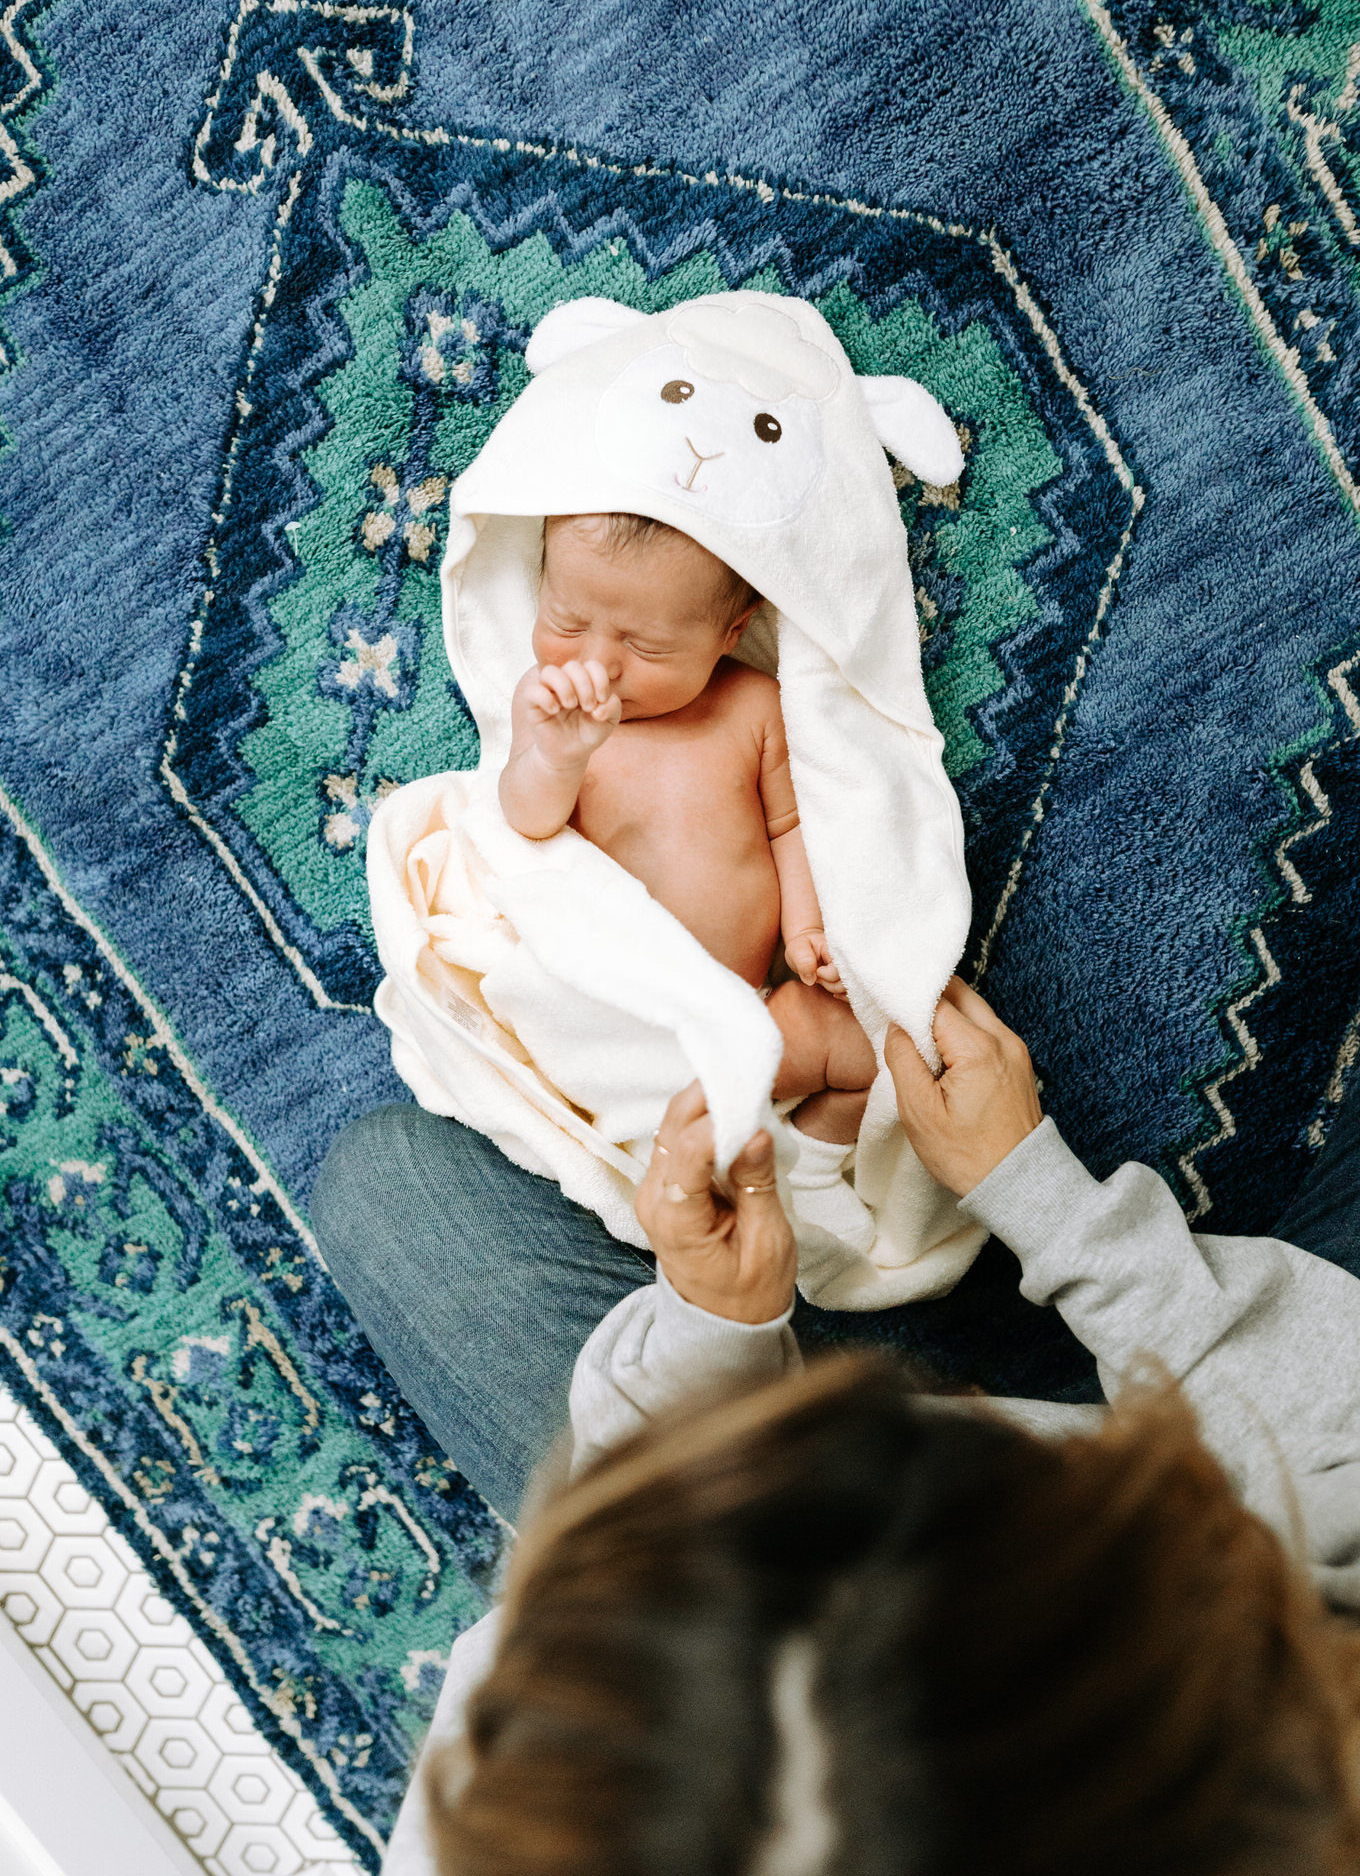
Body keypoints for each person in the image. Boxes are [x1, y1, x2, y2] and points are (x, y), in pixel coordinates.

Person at [314, 979, 1360, 1875]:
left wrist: (712, 1341)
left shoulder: (544, 1791)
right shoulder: (1285, 1726)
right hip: (1305, 1498)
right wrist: (1049, 1206)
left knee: (390, 1188)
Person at [498, 509, 876, 1242]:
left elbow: (791, 828)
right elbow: (526, 824)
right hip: (615, 1018)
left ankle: (814, 1164)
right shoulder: (551, 711)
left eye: (646, 645)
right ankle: (682, 1174)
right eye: (567, 622)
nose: (600, 664)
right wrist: (557, 758)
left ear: (729, 635)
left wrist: (806, 932)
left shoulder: (752, 707)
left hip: (742, 1019)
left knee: (863, 1044)